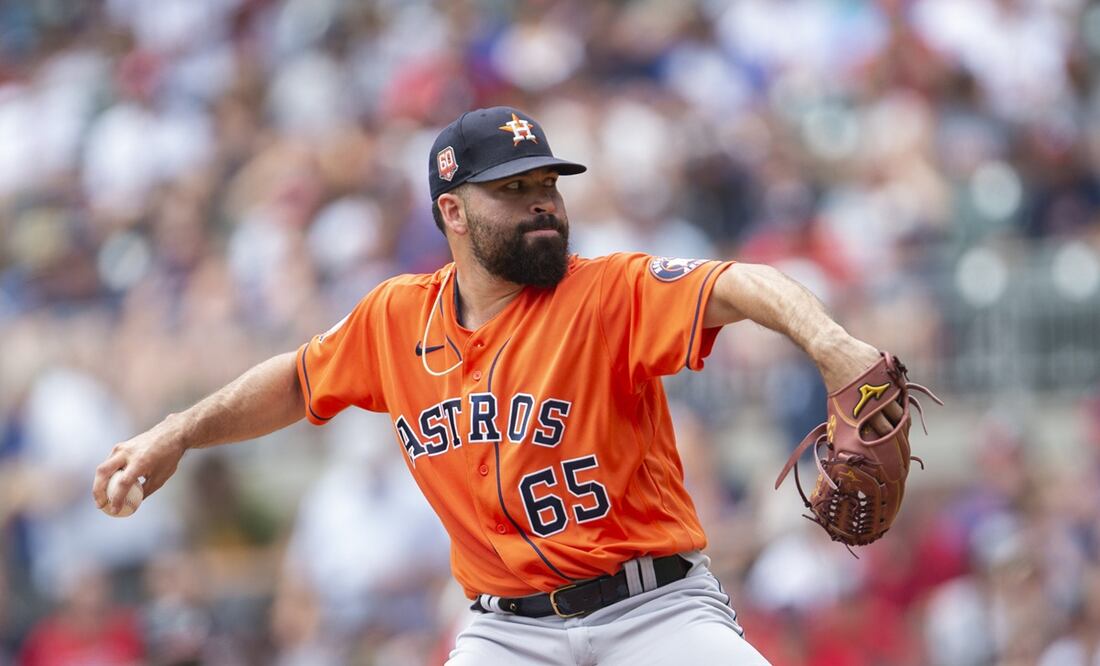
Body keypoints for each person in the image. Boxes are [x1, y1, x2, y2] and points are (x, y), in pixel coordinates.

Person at [93, 106, 899, 664]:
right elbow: (296, 382)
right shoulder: (396, 318)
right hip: (505, 636)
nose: (542, 204)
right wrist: (180, 430)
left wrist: (830, 344)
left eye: (547, 186)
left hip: (655, 611)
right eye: (513, 191)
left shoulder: (604, 291)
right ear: (453, 213)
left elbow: (739, 284)